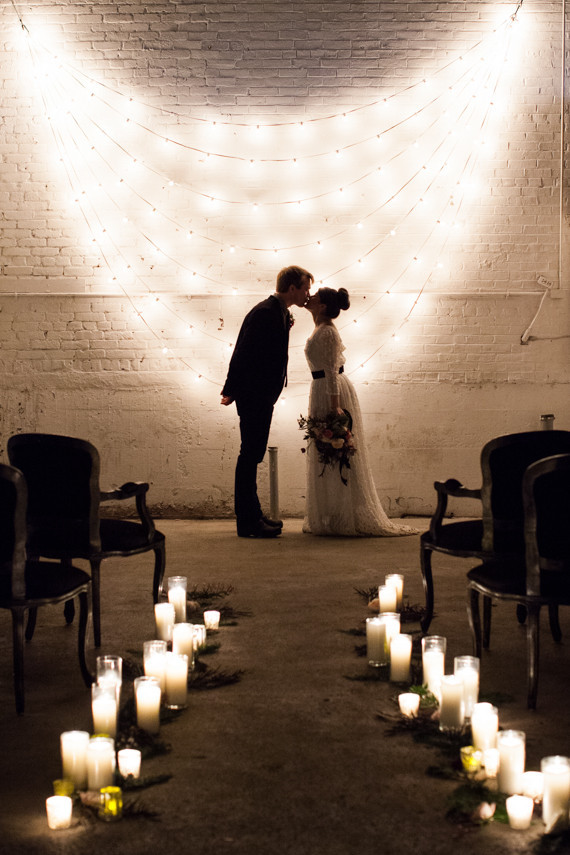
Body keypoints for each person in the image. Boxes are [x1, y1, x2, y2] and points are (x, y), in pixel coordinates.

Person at [303, 286, 418, 537]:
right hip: (321, 389)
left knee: (337, 451)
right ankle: (332, 513)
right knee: (327, 453)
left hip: (331, 392)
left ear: (322, 306)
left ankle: (345, 514)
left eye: (315, 297)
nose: (309, 298)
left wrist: (335, 408)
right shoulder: (320, 329)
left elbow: (332, 370)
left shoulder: (328, 333)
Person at [221, 265, 314, 538]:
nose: (308, 293)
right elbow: (243, 352)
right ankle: (248, 522)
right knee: (249, 455)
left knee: (253, 454)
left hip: (261, 394)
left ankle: (254, 515)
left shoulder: (278, 312)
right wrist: (232, 388)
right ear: (292, 287)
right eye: (305, 287)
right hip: (254, 394)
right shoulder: (265, 313)